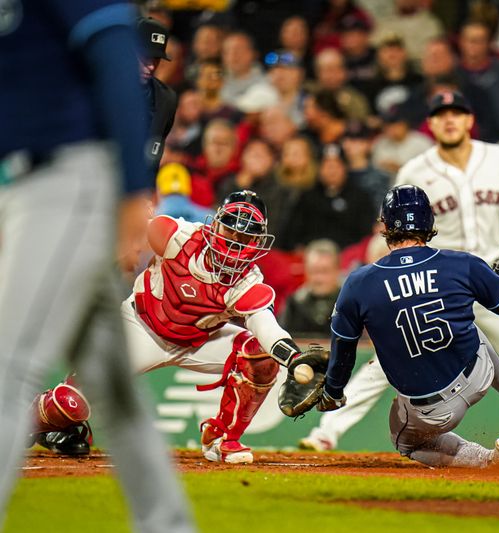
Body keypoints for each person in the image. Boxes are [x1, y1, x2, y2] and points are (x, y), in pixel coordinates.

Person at [0, 3, 194, 531]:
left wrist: (134, 193)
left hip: (66, 183)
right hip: (26, 184)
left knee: (10, 366)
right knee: (114, 387)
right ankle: (168, 523)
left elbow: (114, 60)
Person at [299, 90, 499, 451]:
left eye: (457, 112)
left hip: (487, 277)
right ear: (430, 124)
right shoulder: (415, 171)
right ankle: (327, 431)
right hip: (435, 283)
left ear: (469, 120)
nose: (449, 119)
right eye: (441, 114)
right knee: (387, 362)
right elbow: (391, 227)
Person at [32, 191, 318, 465]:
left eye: (245, 236)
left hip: (198, 340)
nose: (235, 243)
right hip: (140, 327)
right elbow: (123, 232)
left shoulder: (248, 281)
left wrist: (294, 359)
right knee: (67, 404)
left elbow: (266, 327)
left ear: (257, 242)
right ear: (216, 224)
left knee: (261, 357)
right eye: (230, 231)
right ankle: (29, 420)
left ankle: (223, 437)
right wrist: (133, 222)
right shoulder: (177, 236)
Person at [315, 185, 499, 467]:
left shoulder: (359, 283)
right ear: (429, 222)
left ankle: (487, 461)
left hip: (428, 410)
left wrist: (333, 391)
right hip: (479, 377)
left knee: (406, 443)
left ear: (386, 226)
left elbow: (344, 347)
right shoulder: (461, 263)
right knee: (468, 324)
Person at [136, 18, 178, 183]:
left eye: (156, 59)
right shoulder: (104, 90)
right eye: (145, 57)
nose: (152, 66)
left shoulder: (167, 99)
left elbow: (155, 153)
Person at [279, 239, 342, 338]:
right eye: (314, 271)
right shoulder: (294, 303)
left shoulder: (350, 303)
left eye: (324, 271)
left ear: (337, 270)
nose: (318, 278)